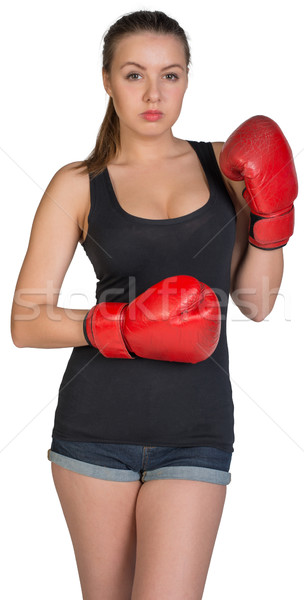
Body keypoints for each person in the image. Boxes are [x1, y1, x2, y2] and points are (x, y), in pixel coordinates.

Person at [10, 9, 297, 600]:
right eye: (135, 74)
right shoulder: (77, 183)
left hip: (197, 428)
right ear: (108, 80)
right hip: (94, 428)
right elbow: (25, 320)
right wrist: (127, 326)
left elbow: (257, 304)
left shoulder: (227, 167)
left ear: (188, 80)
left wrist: (272, 222)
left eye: (170, 75)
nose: (153, 93)